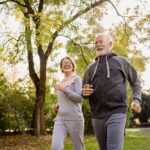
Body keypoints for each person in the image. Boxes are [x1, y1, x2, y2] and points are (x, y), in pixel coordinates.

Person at [82, 33, 142, 150]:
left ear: (110, 44)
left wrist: (136, 99)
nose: (98, 44)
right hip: (97, 115)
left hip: (117, 111)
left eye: (101, 41)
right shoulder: (90, 68)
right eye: (96, 43)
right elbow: (84, 91)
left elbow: (135, 81)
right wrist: (82, 92)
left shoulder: (121, 61)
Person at [51, 56, 85, 150]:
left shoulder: (77, 79)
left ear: (73, 66)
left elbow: (80, 98)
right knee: (55, 147)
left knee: (78, 147)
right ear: (61, 68)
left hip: (75, 118)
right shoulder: (60, 82)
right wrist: (57, 105)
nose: (66, 64)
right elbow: (62, 100)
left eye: (68, 62)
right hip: (60, 118)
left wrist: (64, 89)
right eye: (64, 63)